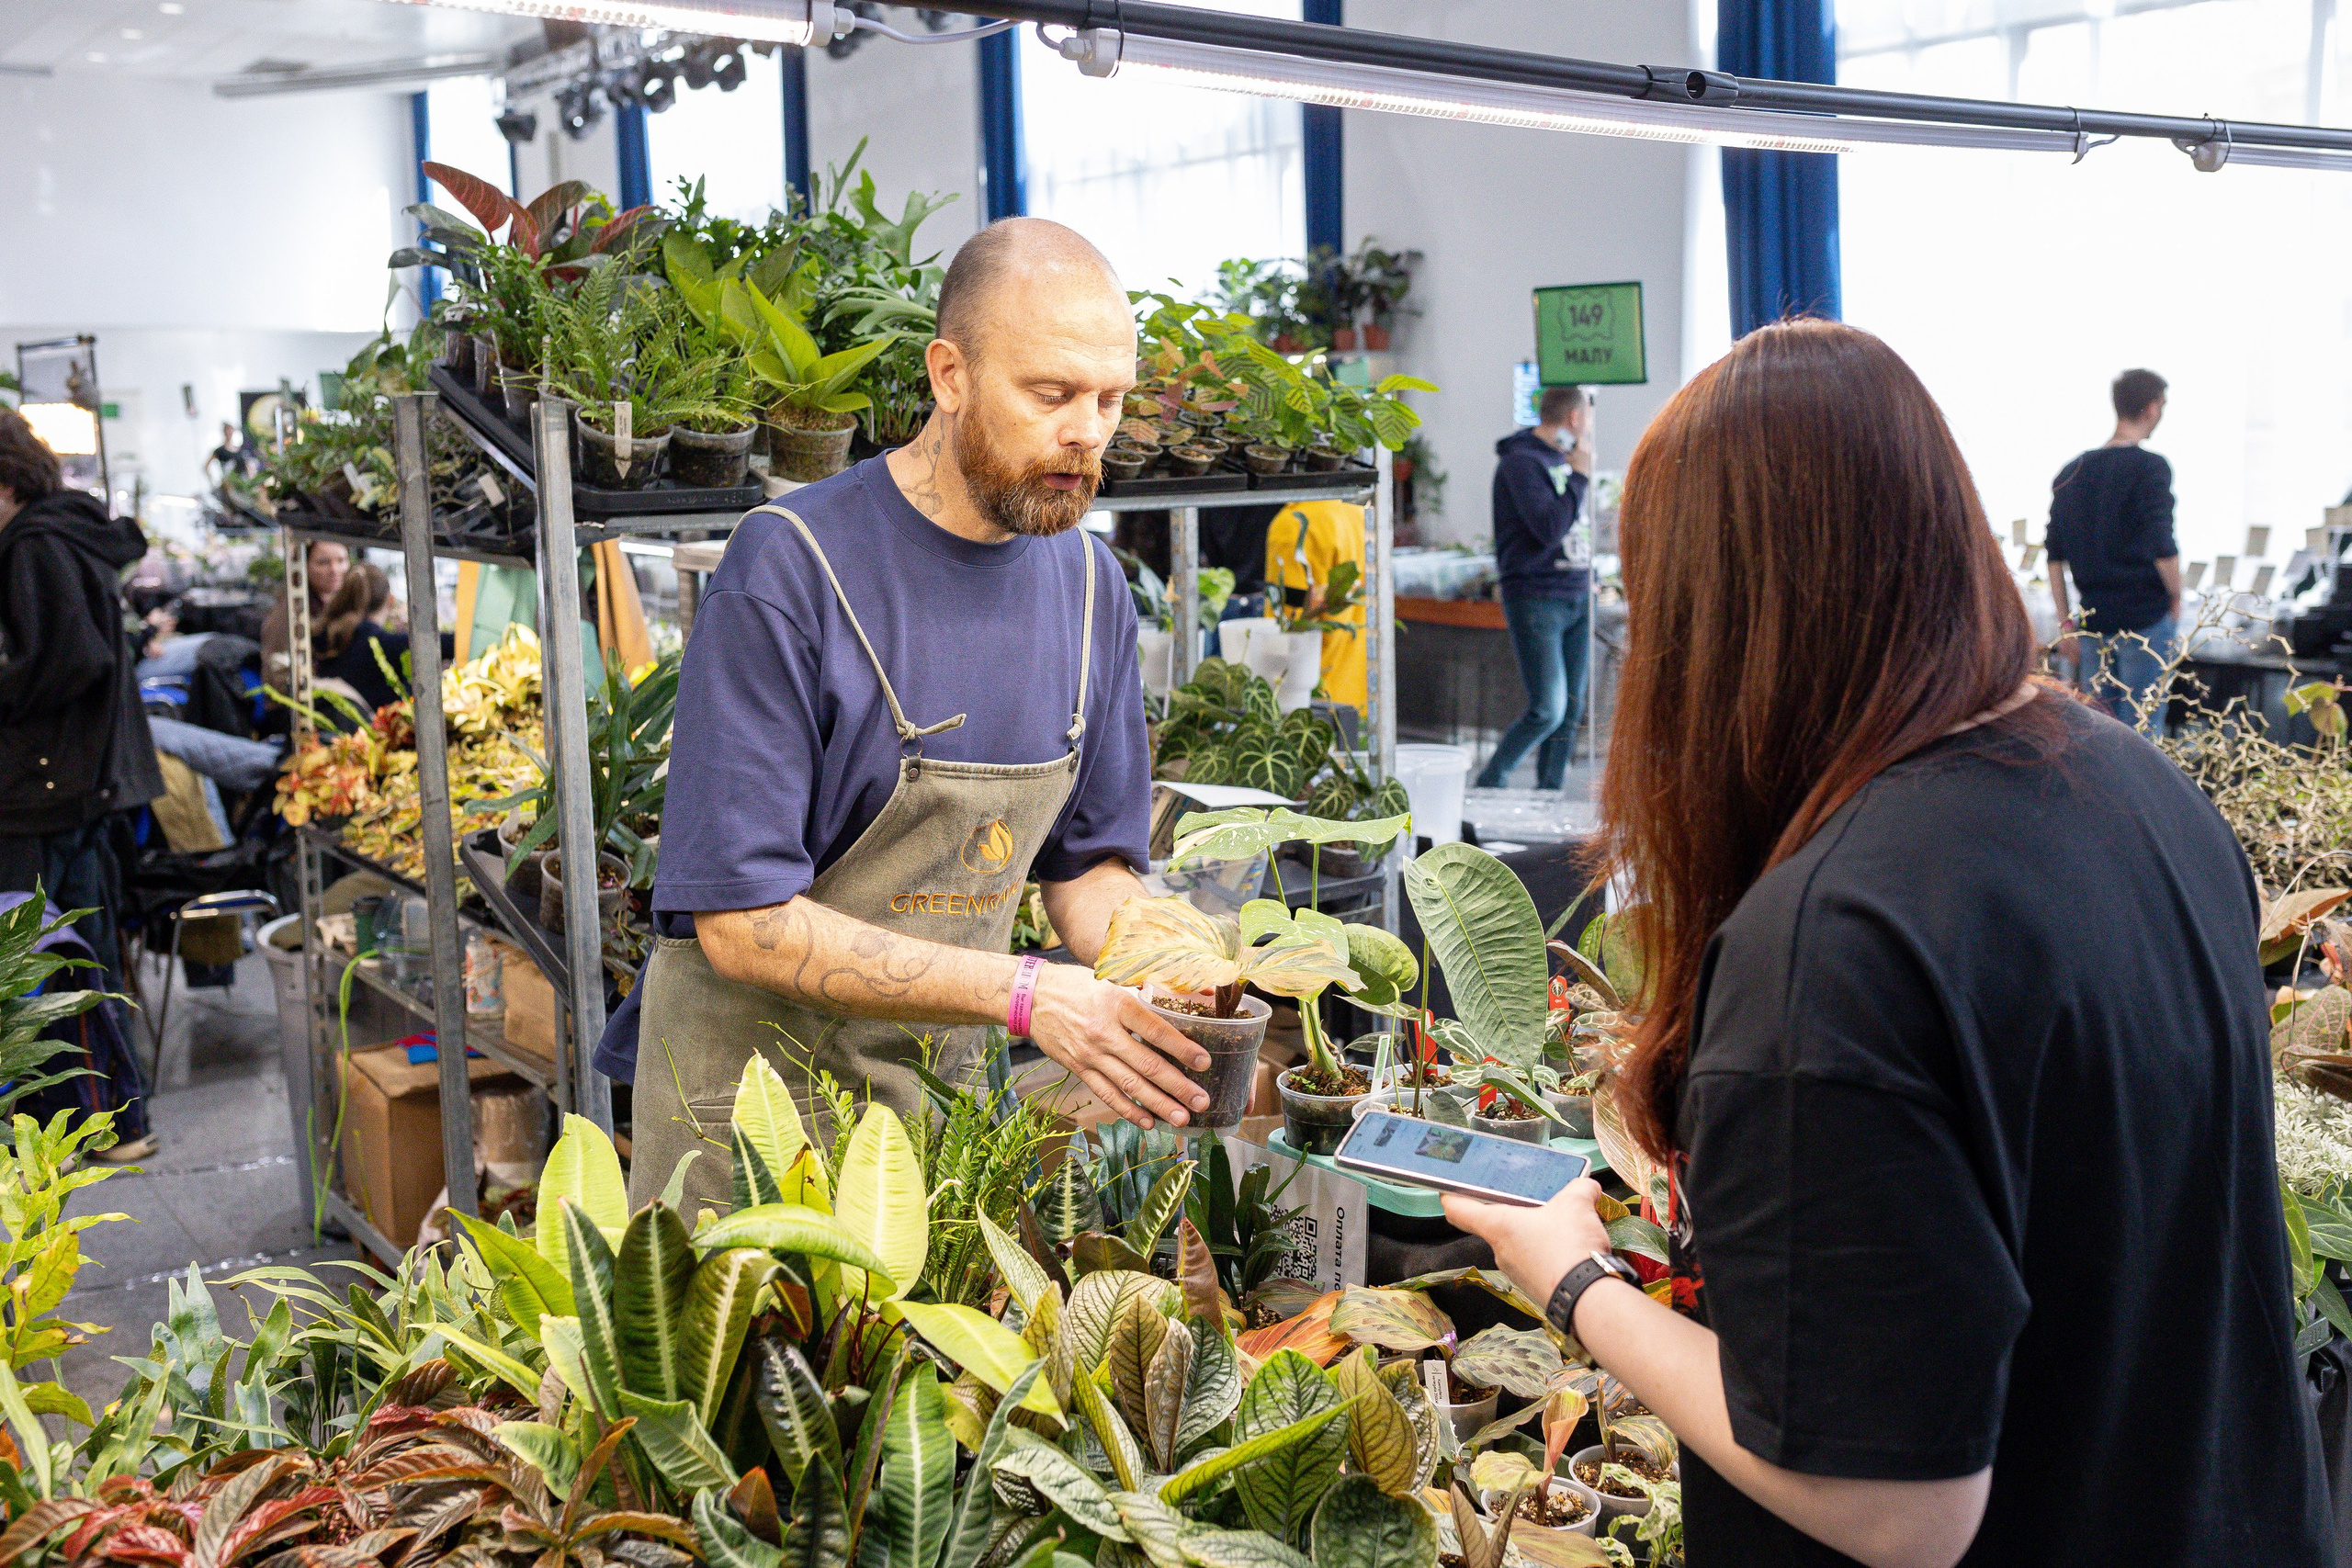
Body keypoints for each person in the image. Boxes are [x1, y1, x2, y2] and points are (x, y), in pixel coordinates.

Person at [1443, 321, 2327, 1566]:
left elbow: (1894, 1507)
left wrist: (1575, 1276)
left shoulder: (1837, 937)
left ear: (1721, 612)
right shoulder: (2139, 785)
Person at [615, 217, 1210, 1213]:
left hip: (939, 1121)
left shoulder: (1093, 588)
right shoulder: (790, 567)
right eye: (1051, 394)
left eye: (1110, 400)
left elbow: (1086, 871)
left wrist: (1192, 963)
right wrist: (1027, 994)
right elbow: (741, 924)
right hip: (752, 1127)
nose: (1087, 433)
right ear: (949, 375)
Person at [0, 407, 164, 991]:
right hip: (77, 788)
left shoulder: (34, 545)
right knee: (84, 971)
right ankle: (111, 1085)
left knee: (42, 981)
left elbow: (74, 659)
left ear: (7, 482)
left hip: (45, 795)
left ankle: (97, 1085)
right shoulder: (64, 534)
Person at [2046, 368, 2179, 732]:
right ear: (2151, 409)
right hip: (2144, 618)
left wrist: (2065, 623)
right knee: (2143, 729)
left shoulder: (2071, 472)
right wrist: (2176, 595)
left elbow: (2054, 556)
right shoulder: (2150, 468)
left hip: (2092, 621)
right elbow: (2162, 545)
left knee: (2099, 733)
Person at [1476, 385, 1594, 791]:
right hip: (1537, 595)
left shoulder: (1562, 458)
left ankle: (1550, 794)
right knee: (1547, 708)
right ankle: (1491, 781)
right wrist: (1579, 477)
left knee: (1570, 712)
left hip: (1577, 593)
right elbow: (1547, 528)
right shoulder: (1521, 463)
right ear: (1575, 418)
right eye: (1587, 418)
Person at [1262, 498, 1367, 711]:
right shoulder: (1358, 516)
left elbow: (1285, 630)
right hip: (1358, 699)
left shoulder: (1291, 525)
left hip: (1309, 704)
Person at [257, 537, 349, 711]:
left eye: (341, 561)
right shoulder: (290, 613)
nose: (335, 570)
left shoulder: (340, 607)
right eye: (323, 563)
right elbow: (278, 678)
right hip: (295, 710)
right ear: (303, 565)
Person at [313, 562, 410, 719]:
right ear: (390, 601)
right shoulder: (389, 645)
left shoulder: (323, 636)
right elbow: (449, 642)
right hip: (375, 739)